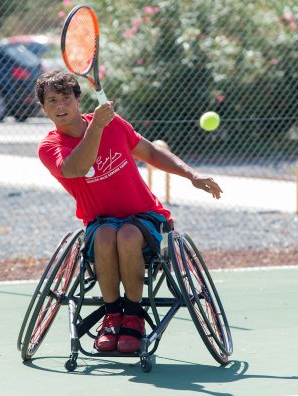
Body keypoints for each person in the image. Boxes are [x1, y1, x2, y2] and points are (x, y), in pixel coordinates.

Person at [35, 71, 222, 353]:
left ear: (77, 99)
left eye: (65, 98)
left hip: (146, 216)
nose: (60, 106)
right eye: (52, 100)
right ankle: (112, 316)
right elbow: (76, 168)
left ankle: (133, 317)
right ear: (43, 107)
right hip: (100, 222)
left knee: (128, 234)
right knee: (107, 236)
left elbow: (151, 153)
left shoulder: (113, 124)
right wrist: (96, 127)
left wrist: (191, 175)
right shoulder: (50, 147)